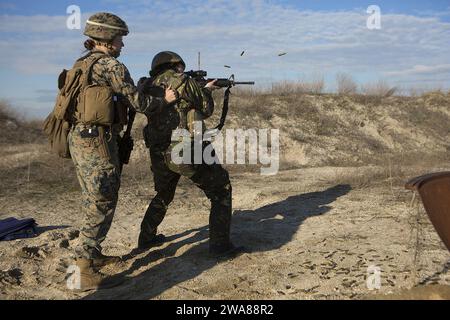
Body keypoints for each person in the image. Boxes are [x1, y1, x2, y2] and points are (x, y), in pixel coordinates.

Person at [68, 13, 176, 290]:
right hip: (97, 140)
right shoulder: (110, 65)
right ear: (107, 38)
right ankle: (83, 271)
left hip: (82, 137)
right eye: (120, 39)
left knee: (93, 198)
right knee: (101, 200)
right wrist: (163, 99)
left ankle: (91, 255)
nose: (122, 45)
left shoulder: (82, 63)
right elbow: (138, 102)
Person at [138, 51, 242, 257]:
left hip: (159, 150)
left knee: (164, 193)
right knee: (221, 189)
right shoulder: (182, 81)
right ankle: (220, 246)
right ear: (177, 65)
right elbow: (206, 108)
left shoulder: (148, 85)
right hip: (185, 147)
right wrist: (207, 90)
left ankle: (146, 237)